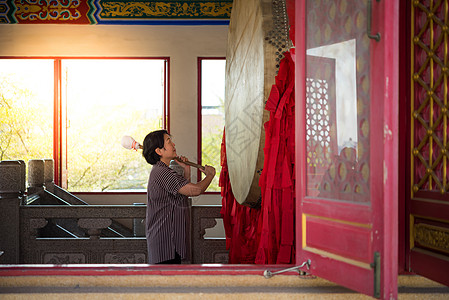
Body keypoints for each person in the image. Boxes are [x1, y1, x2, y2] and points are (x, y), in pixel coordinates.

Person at [142, 129, 216, 264]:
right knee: (166, 283)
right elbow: (195, 190)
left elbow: (180, 196)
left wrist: (186, 169)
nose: (174, 144)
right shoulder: (163, 172)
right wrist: (210, 176)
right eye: (169, 141)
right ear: (159, 151)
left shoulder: (163, 171)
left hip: (169, 241)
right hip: (164, 241)